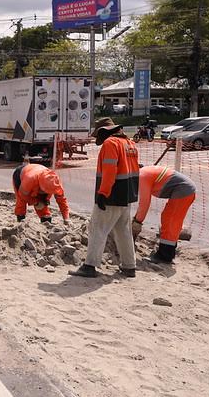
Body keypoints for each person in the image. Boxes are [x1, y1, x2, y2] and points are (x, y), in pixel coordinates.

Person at [70, 117, 140, 278]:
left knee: (97, 228)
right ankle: (129, 266)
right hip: (127, 194)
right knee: (123, 230)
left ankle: (90, 266)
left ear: (104, 131)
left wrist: (103, 193)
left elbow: (110, 171)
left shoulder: (111, 144)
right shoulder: (130, 144)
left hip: (112, 194)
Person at [132, 166, 196, 264]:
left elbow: (144, 203)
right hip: (184, 189)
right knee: (169, 218)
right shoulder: (145, 172)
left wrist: (137, 221)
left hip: (184, 190)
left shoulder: (142, 176)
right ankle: (167, 251)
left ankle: (165, 256)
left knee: (171, 221)